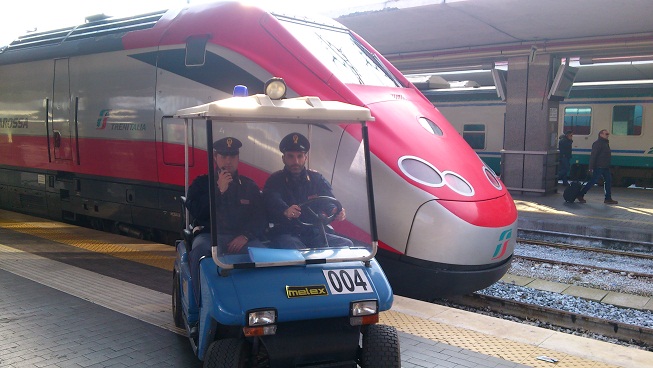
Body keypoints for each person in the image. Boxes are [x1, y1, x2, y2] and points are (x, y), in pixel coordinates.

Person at [185, 137, 266, 305]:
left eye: (232, 157)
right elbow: (197, 211)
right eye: (223, 156)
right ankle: (198, 306)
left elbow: (261, 217)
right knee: (201, 253)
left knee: (263, 253)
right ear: (215, 157)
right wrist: (218, 191)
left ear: (238, 158)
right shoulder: (202, 183)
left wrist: (246, 235)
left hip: (240, 237)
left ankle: (260, 303)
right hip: (210, 234)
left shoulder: (249, 186)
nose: (228, 161)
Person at [263, 132, 352, 249]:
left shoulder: (316, 179)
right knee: (298, 250)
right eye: (291, 156)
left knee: (346, 245)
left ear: (305, 158)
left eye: (299, 156)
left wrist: (334, 210)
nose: (296, 161)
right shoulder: (275, 180)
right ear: (284, 158)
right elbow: (272, 200)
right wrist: (285, 210)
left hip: (313, 232)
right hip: (286, 232)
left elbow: (328, 200)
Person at [577, 129, 618, 205]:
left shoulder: (605, 143)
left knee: (608, 181)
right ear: (601, 135)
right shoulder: (598, 143)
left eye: (608, 134)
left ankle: (608, 198)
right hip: (599, 166)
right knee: (593, 181)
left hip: (605, 166)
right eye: (606, 134)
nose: (608, 135)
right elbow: (593, 156)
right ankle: (581, 194)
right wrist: (591, 167)